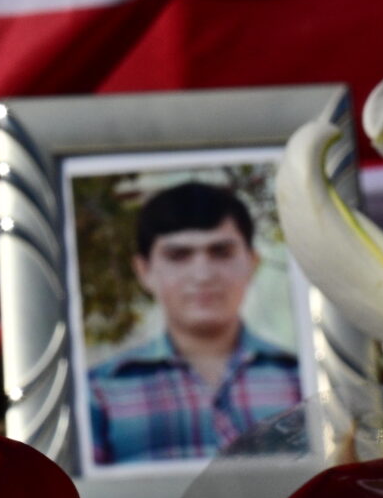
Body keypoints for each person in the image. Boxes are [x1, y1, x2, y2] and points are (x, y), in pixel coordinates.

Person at [85, 180, 301, 466]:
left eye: (221, 252)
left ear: (252, 262)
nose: (202, 274)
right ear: (144, 270)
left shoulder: (302, 380)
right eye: (179, 255)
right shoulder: (99, 393)